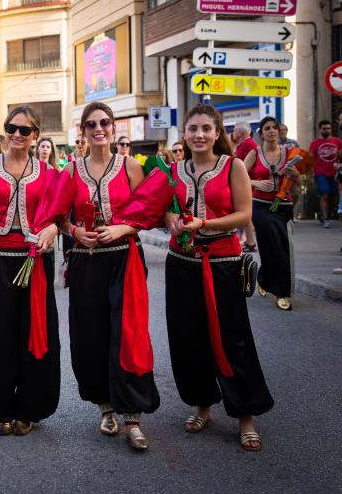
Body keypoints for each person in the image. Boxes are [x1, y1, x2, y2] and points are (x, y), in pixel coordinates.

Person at [116, 103, 273, 452]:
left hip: (223, 261)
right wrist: (169, 217)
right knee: (189, 339)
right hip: (181, 262)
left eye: (206, 128)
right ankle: (202, 405)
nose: (199, 135)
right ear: (184, 134)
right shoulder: (171, 170)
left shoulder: (232, 166)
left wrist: (204, 224)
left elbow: (244, 214)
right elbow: (154, 209)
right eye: (193, 129)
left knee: (234, 338)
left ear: (218, 133)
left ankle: (246, 414)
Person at [58, 102, 159, 451]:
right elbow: (60, 217)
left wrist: (122, 229)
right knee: (91, 336)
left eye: (104, 122)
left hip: (124, 260)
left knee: (127, 334)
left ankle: (132, 417)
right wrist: (73, 231)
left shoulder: (131, 166)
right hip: (86, 262)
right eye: (91, 124)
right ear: (82, 132)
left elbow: (149, 213)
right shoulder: (71, 171)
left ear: (113, 128)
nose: (98, 128)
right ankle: (105, 408)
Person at [0, 104, 60, 437]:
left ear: (36, 136)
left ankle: (29, 407)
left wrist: (54, 230)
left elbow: (58, 216)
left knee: (34, 333)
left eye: (25, 130)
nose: (16, 134)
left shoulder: (48, 172)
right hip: (0, 259)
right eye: (11, 127)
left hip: (36, 262)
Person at [244, 116, 301, 311]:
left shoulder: (290, 153)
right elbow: (238, 177)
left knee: (282, 247)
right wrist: (256, 183)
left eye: (274, 127)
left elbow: (299, 185)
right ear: (261, 133)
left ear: (279, 131)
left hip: (284, 206)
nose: (271, 131)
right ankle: (267, 281)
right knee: (270, 246)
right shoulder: (254, 153)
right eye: (267, 128)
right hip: (260, 206)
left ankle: (280, 292)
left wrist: (296, 175)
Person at [310, 120, 342, 228]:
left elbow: (341, 156)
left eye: (328, 128)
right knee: (324, 195)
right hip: (320, 173)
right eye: (324, 128)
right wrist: (311, 175)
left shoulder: (337, 141)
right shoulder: (314, 143)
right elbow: (310, 160)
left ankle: (326, 215)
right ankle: (325, 218)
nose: (326, 130)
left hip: (335, 173)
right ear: (320, 129)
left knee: (333, 195)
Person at [231, 122, 257, 252]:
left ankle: (250, 242)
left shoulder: (248, 144)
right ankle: (249, 241)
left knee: (244, 214)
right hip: (247, 183)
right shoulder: (245, 144)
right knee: (245, 214)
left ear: (240, 132)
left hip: (248, 184)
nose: (233, 133)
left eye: (234, 130)